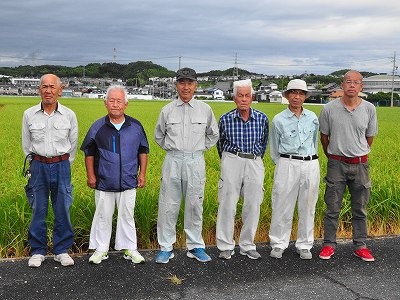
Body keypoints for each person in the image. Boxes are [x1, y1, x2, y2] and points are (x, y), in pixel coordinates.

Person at [154, 67, 219, 263]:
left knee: (194, 204)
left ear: (196, 85)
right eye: (182, 82)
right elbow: (159, 136)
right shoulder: (166, 110)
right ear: (176, 85)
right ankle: (166, 247)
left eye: (190, 83)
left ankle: (195, 246)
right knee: (168, 204)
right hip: (173, 159)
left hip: (195, 160)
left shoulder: (205, 109)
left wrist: (197, 150)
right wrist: (175, 150)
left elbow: (213, 134)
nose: (186, 87)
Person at [80, 85, 149, 264]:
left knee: (127, 215)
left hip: (128, 180)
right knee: (103, 215)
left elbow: (143, 150)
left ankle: (130, 248)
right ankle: (101, 249)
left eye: (119, 101)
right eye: (112, 101)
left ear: (126, 104)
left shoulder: (135, 126)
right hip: (104, 181)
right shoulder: (98, 127)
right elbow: (89, 152)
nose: (115, 104)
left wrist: (142, 174)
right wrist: (91, 176)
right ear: (105, 104)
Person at [318, 70, 378, 262]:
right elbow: (324, 138)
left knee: (360, 208)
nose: (352, 85)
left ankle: (360, 245)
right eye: (348, 82)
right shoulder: (329, 108)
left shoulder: (369, 109)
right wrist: (333, 155)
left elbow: (369, 138)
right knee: (332, 207)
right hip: (336, 163)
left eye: (356, 82)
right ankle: (328, 244)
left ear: (361, 87)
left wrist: (358, 152)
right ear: (342, 85)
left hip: (360, 165)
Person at [22, 74, 78, 268]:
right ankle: (38, 251)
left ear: (59, 90)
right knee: (38, 208)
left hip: (62, 165)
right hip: (37, 165)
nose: (48, 90)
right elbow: (26, 145)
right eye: (44, 86)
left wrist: (61, 163)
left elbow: (73, 145)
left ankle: (61, 250)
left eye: (52, 87)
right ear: (39, 90)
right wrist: (39, 161)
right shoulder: (29, 114)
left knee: (62, 207)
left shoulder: (69, 115)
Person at [216, 79, 269, 260]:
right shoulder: (225, 119)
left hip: (254, 161)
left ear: (252, 97)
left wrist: (254, 159)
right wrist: (229, 160)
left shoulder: (262, 119)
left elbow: (263, 144)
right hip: (232, 159)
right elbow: (220, 144)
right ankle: (225, 245)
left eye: (247, 95)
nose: (244, 99)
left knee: (253, 204)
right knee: (227, 203)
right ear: (234, 98)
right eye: (240, 96)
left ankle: (247, 245)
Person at [268, 79, 320, 260]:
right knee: (282, 204)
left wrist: (310, 159)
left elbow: (314, 143)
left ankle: (304, 245)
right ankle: (278, 243)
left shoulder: (313, 117)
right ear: (287, 95)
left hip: (310, 164)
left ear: (305, 96)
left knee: (308, 205)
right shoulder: (278, 119)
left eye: (301, 94)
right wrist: (284, 164)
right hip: (287, 163)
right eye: (293, 93)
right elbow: (274, 149)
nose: (297, 97)